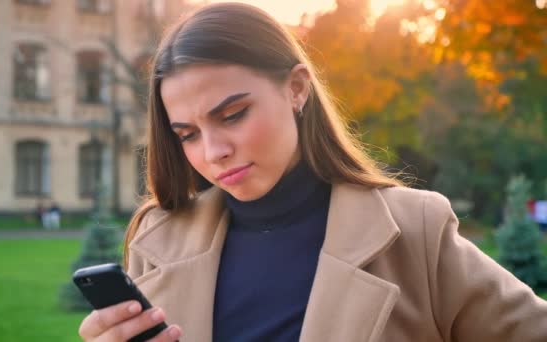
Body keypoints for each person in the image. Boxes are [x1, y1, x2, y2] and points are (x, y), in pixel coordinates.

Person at [78, 3, 547, 341]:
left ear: (297, 88)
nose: (214, 151)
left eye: (233, 114)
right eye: (187, 134)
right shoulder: (158, 239)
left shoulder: (413, 230)